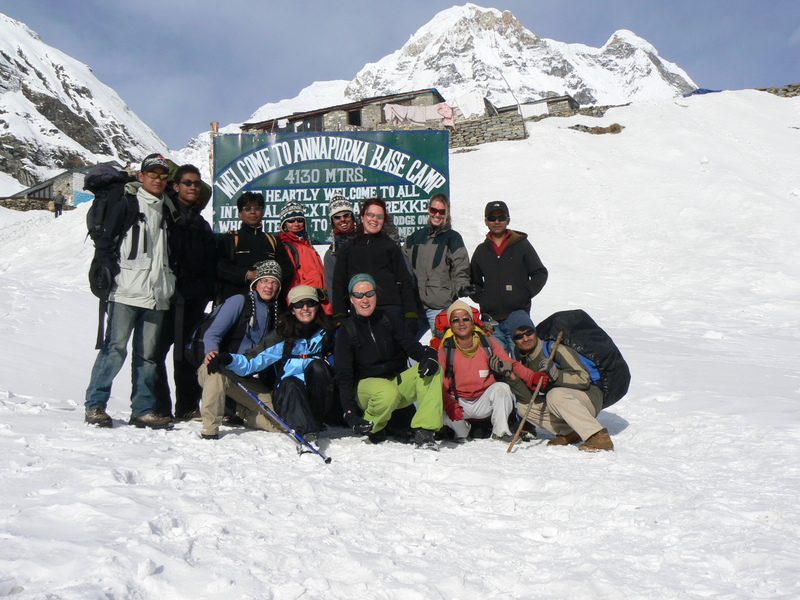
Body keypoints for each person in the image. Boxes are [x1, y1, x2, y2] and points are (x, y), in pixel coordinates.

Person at [84, 153, 177, 429]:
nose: (158, 179)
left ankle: (143, 409)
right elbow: (105, 244)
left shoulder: (168, 208)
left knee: (148, 357)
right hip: (125, 290)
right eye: (153, 174)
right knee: (114, 349)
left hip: (157, 294)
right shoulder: (127, 203)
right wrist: (111, 275)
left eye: (162, 175)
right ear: (141, 176)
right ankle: (95, 406)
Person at [211, 285, 337, 442]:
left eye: (310, 303)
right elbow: (253, 362)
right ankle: (306, 432)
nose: (305, 308)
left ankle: (315, 420)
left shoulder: (328, 333)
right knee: (291, 381)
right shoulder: (282, 335)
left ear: (317, 307)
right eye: (299, 304)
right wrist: (228, 358)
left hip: (318, 398)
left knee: (319, 368)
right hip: (287, 396)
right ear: (292, 309)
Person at [334, 273, 443, 450]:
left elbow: (412, 346)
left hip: (394, 382)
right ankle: (372, 425)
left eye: (369, 294)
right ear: (351, 299)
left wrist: (428, 356)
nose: (365, 300)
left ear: (376, 294)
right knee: (387, 391)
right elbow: (343, 375)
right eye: (359, 295)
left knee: (433, 369)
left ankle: (425, 430)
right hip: (365, 388)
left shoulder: (389, 319)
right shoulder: (347, 330)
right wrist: (350, 414)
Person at [152, 164, 217, 420]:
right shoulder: (165, 216)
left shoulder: (201, 223)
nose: (192, 187)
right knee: (156, 352)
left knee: (187, 354)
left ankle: (187, 406)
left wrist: (207, 292)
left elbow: (210, 260)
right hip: (165, 296)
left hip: (193, 299)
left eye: (196, 183)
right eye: (187, 182)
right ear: (175, 186)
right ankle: (159, 406)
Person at [439, 300, 550, 443]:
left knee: (502, 388)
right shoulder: (446, 349)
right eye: (456, 320)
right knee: (437, 402)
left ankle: (501, 432)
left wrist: (532, 377)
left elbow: (511, 364)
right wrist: (448, 403)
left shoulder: (486, 343)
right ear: (450, 324)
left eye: (466, 319)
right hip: (459, 403)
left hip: (484, 400)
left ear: (472, 321)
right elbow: (441, 384)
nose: (461, 323)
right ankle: (461, 431)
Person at [198, 260, 283, 439]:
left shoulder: (274, 312)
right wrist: (212, 352)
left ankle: (240, 410)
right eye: (265, 281)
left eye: (274, 282)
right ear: (256, 282)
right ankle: (210, 428)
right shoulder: (239, 301)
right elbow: (213, 333)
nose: (269, 286)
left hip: (243, 376)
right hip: (217, 366)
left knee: (277, 417)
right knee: (218, 375)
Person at [507, 312, 614, 451]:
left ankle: (598, 435)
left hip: (588, 396)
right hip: (562, 402)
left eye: (529, 332)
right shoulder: (523, 360)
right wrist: (512, 376)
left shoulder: (553, 348)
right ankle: (570, 432)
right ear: (513, 340)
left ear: (535, 332)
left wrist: (556, 375)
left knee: (555, 395)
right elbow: (528, 398)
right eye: (519, 336)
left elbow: (583, 378)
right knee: (523, 407)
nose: (525, 338)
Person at [469, 200, 548, 355]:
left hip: (517, 316)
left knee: (522, 360)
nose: (497, 222)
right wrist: (481, 298)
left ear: (508, 220)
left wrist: (525, 294)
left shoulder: (522, 245)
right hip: (491, 320)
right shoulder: (481, 251)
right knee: (498, 363)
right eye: (492, 218)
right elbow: (473, 281)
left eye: (501, 217)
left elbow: (540, 273)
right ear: (486, 222)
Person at [331, 198, 418, 333]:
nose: (374, 220)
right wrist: (339, 315)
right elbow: (339, 283)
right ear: (362, 217)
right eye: (370, 215)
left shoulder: (390, 247)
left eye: (379, 216)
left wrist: (411, 314)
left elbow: (404, 281)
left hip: (391, 310)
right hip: (361, 310)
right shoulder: (348, 248)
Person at [404, 193, 473, 339]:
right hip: (416, 305)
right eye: (433, 210)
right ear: (428, 210)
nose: (437, 215)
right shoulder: (415, 237)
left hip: (439, 304)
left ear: (447, 214)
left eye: (441, 212)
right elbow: (402, 263)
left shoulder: (452, 238)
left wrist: (461, 287)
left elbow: (461, 267)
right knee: (404, 345)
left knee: (445, 345)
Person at [217, 191, 294, 302]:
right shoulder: (230, 239)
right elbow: (221, 268)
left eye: (257, 208)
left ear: (262, 212)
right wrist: (247, 274)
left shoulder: (273, 240)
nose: (253, 211)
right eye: (247, 208)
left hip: (267, 302)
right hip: (237, 300)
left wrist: (268, 277)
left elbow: (287, 270)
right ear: (240, 213)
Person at [277, 201, 331, 314]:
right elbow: (291, 280)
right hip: (303, 304)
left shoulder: (308, 245)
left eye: (300, 220)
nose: (296, 224)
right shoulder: (285, 247)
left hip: (319, 303)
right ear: (284, 224)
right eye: (291, 221)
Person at [322, 195, 356, 293]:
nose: (342, 219)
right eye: (337, 217)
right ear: (332, 222)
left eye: (346, 215)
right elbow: (333, 288)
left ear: (352, 217)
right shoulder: (331, 254)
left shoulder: (366, 241)